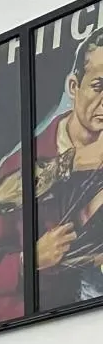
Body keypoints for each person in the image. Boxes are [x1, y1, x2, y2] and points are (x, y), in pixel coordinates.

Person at [35, 26, 103, 310]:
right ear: (74, 86)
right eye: (98, 86)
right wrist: (32, 259)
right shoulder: (26, 159)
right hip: (47, 314)